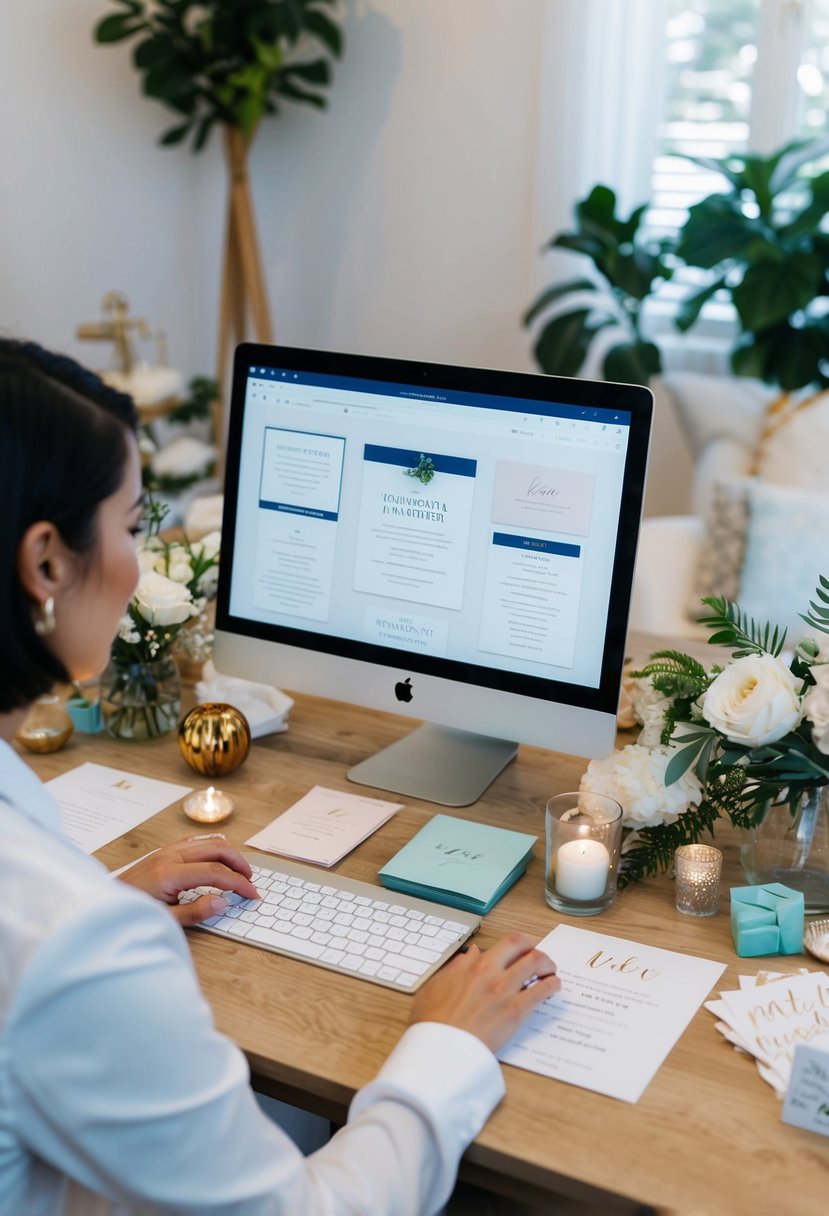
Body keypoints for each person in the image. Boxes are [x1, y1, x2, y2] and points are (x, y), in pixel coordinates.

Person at [0, 339, 560, 1216]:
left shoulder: (60, 920)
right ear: (46, 562)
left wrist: (99, 898)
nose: (140, 560)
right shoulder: (69, 940)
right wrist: (447, 1045)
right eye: (133, 524)